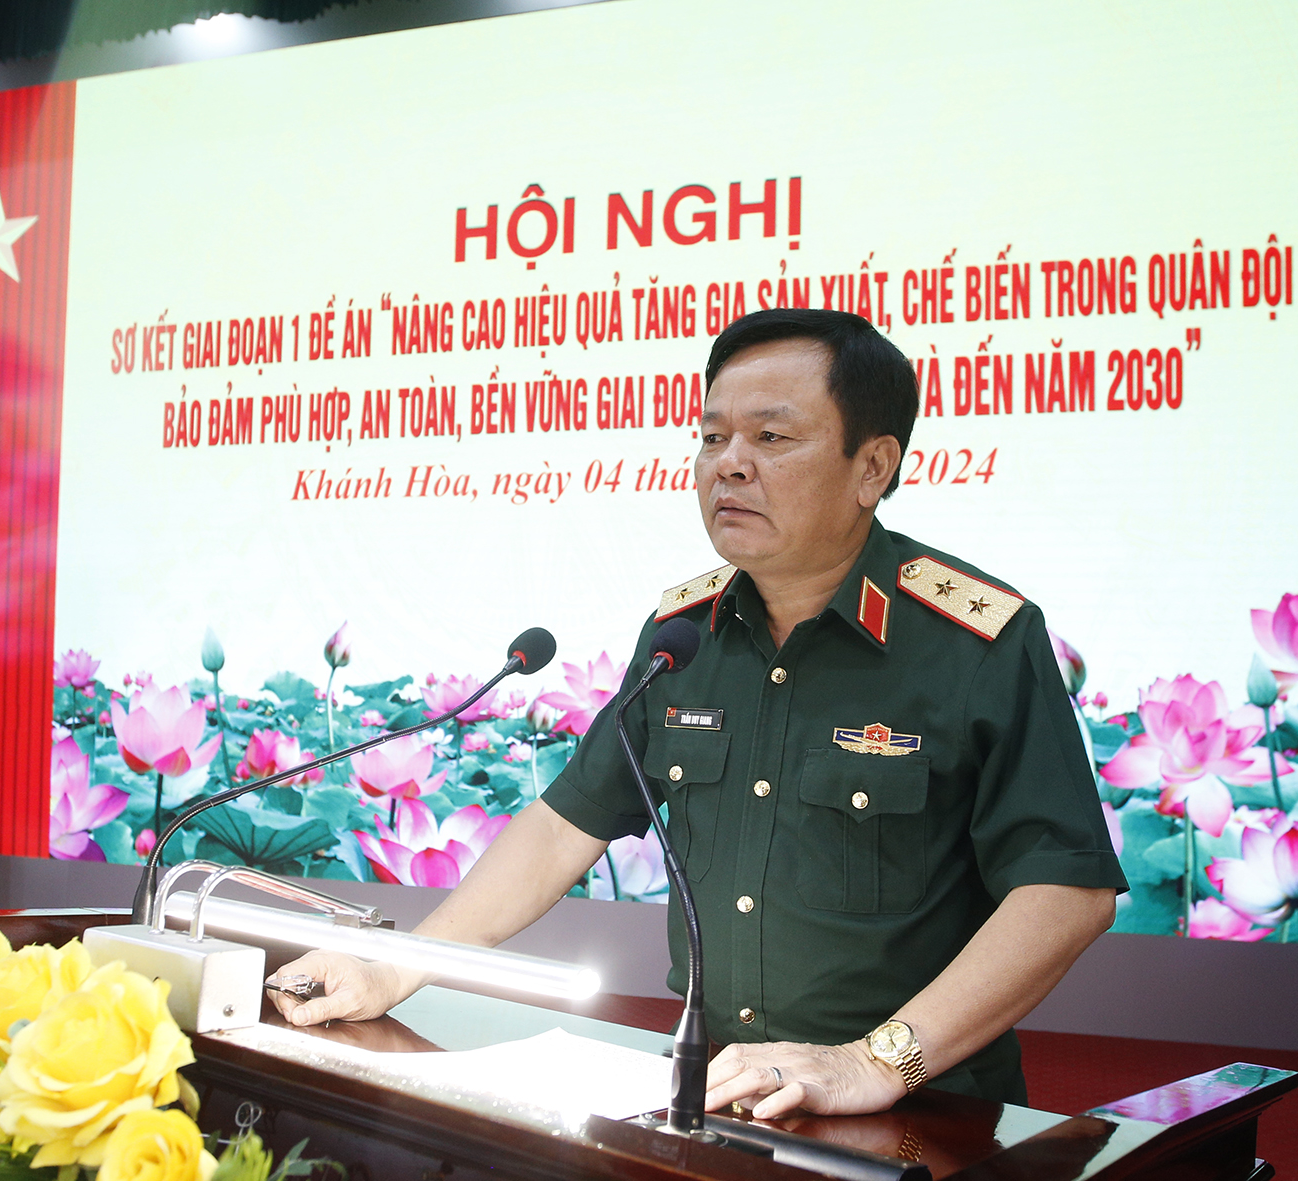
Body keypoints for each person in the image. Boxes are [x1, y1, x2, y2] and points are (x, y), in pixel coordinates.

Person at [271, 309, 1126, 1118]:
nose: (729, 464)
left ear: (873, 466)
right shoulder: (684, 634)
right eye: (713, 437)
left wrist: (873, 1062)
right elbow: (563, 828)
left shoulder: (976, 642)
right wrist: (395, 966)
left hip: (918, 1114)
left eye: (771, 437)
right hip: (716, 1092)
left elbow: (1067, 892)